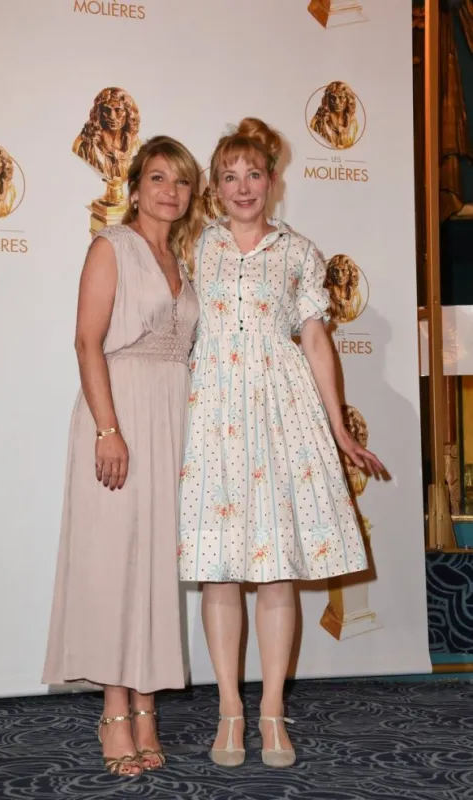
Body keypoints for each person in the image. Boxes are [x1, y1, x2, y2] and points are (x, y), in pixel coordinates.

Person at [178, 118, 384, 769]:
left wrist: (338, 426)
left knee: (273, 568)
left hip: (277, 409)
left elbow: (317, 340)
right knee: (220, 568)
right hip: (212, 413)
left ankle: (270, 713)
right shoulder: (195, 247)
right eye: (230, 176)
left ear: (272, 180)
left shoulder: (298, 251)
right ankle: (228, 713)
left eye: (254, 174)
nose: (243, 187)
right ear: (214, 186)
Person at [43, 135, 202, 777]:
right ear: (134, 187)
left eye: (182, 181)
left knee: (156, 568)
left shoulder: (188, 260)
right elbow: (86, 342)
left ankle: (146, 704)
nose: (169, 190)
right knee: (115, 562)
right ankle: (114, 707)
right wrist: (109, 429)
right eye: (158, 178)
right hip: (120, 413)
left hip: (174, 419)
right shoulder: (110, 247)